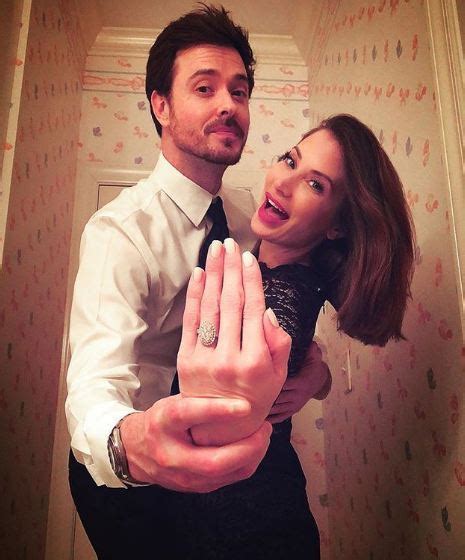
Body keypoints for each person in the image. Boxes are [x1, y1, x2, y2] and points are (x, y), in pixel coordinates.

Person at [65, 5, 330, 559]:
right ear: (160, 105)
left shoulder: (249, 218)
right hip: (131, 480)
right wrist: (133, 445)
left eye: (239, 91)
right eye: (204, 88)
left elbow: (277, 322)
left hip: (219, 484)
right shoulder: (119, 232)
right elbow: (93, 384)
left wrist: (317, 374)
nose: (228, 105)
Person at [167, 113, 415, 558]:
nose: (283, 183)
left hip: (245, 526)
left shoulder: (281, 296)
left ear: (336, 225)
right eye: (290, 160)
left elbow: (209, 420)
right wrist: (318, 375)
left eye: (315, 185)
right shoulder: (266, 258)